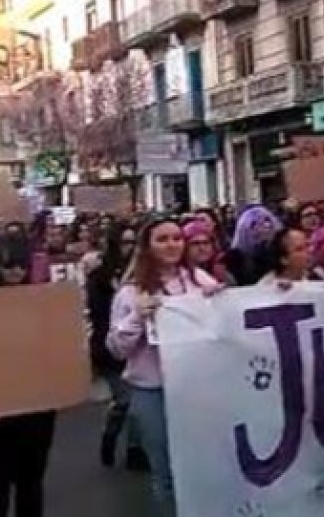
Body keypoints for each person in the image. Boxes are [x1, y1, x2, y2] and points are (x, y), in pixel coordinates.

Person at [107, 218, 221, 516]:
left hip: (196, 387)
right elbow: (116, 348)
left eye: (176, 238)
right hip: (152, 391)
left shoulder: (198, 280)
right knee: (165, 468)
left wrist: (222, 301)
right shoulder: (130, 292)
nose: (172, 245)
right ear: (147, 246)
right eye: (162, 239)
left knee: (201, 464)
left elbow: (229, 318)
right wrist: (137, 317)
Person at [0, 240, 55, 517]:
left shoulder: (42, 302)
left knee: (31, 478)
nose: (16, 271)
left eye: (22, 265)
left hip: (36, 404)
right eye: (8, 265)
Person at [87, 223, 147, 469]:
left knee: (139, 403)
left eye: (133, 242)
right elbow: (100, 313)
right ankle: (110, 433)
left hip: (138, 346)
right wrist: (119, 293)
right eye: (124, 242)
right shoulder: (100, 276)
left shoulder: (144, 274)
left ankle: (135, 450)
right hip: (109, 348)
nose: (129, 248)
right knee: (126, 400)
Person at [224, 206, 280, 286]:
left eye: (267, 220)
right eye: (254, 223)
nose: (264, 225)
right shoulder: (234, 256)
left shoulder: (280, 251)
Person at [182, 221, 235, 286]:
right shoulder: (179, 275)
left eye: (206, 243)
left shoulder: (222, 273)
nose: (202, 248)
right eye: (195, 243)